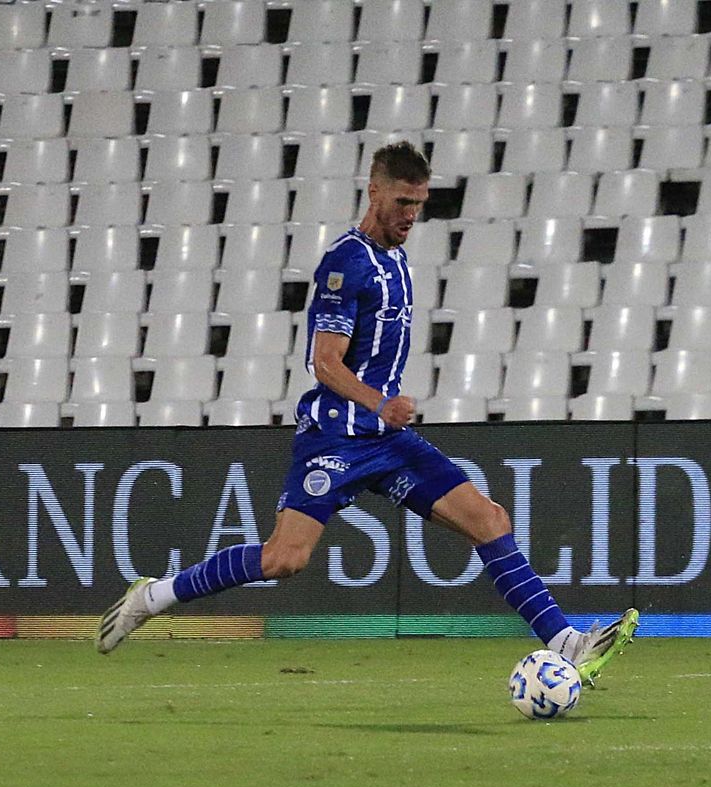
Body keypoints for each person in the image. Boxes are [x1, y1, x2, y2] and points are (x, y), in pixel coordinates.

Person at [95, 141, 638, 685]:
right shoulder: (345, 263)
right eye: (402, 201)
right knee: (285, 559)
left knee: (489, 519)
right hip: (334, 441)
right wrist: (380, 402)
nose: (410, 215)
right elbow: (324, 362)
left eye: (419, 204)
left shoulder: (398, 261)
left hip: (386, 442)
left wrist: (384, 413)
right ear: (374, 190)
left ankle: (566, 641)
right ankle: (153, 597)